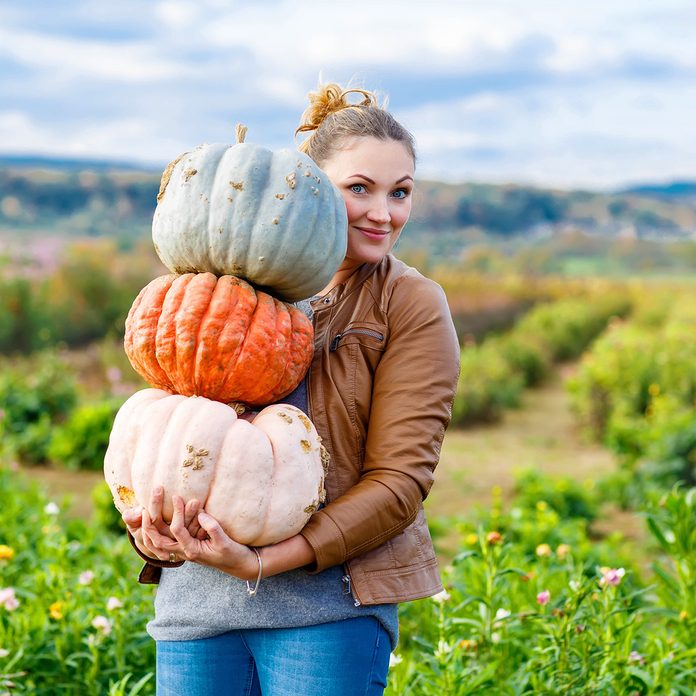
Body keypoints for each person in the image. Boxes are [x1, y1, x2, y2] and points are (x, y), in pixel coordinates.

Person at [122, 82, 461, 696]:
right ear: (306, 185)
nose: (383, 213)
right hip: (196, 608)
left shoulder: (409, 304)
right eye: (359, 188)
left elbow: (400, 483)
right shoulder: (220, 284)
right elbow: (163, 437)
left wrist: (261, 563)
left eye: (400, 192)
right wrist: (149, 525)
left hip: (327, 614)